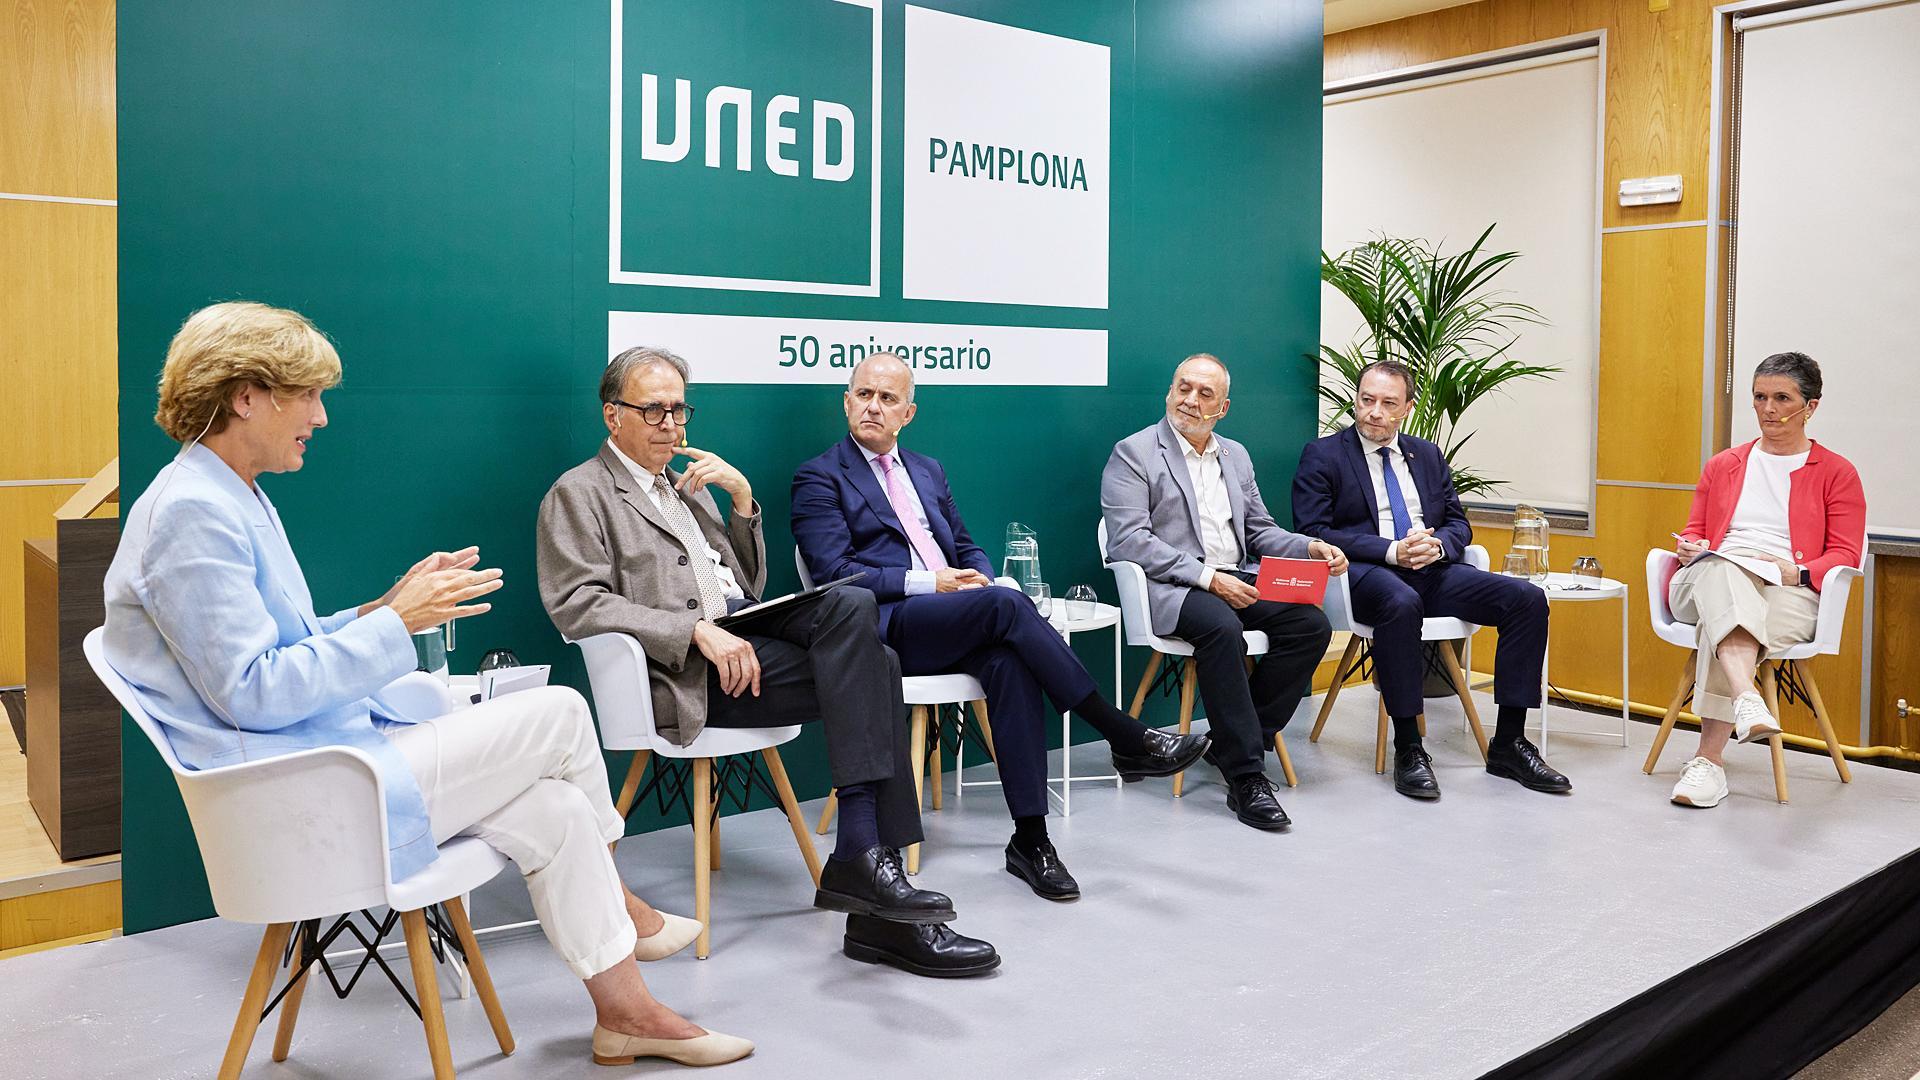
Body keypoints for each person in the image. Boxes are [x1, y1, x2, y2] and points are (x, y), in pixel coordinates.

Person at [102, 303, 748, 1069]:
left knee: (557, 807)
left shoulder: (229, 495)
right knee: (562, 712)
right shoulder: (192, 514)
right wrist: (394, 625)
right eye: (307, 395)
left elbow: (284, 644)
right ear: (247, 395)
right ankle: (629, 908)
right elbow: (251, 691)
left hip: (321, 764)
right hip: (299, 798)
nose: (321, 416)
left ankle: (627, 1014)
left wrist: (387, 606)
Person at [537, 346, 998, 977]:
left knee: (850, 605)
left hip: (747, 640)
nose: (672, 424)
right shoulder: (579, 493)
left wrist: (744, 506)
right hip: (691, 673)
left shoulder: (686, 484)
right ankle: (874, 895)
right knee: (881, 665)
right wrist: (692, 631)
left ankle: (866, 868)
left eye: (679, 410)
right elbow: (577, 605)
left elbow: (747, 587)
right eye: (654, 411)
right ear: (613, 415)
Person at [791, 353, 1210, 900]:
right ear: (846, 402)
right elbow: (834, 575)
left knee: (1010, 661)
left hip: (951, 620)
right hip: (883, 629)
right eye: (863, 395)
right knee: (1009, 609)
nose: (873, 406)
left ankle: (1031, 842)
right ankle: (1121, 732)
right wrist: (934, 585)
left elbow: (965, 546)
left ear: (908, 413)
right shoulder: (820, 476)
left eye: (887, 398)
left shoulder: (927, 470)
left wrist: (984, 579)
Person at [1291, 359, 1569, 801]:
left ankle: (1509, 744)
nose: (1374, 412)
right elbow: (1313, 530)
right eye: (1366, 400)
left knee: (1526, 599)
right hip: (1367, 575)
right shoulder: (1324, 454)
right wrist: (1390, 549)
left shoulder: (1427, 455)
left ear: (1407, 407)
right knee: (1400, 603)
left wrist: (1438, 545)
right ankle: (1410, 747)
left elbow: (1459, 523)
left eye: (1387, 403)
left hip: (1432, 569)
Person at [1100, 354, 1342, 830]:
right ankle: (1245, 775)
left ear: (1223, 408)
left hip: (1240, 576)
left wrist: (1309, 546)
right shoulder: (1134, 453)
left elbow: (1259, 531)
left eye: (1204, 394)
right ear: (1170, 392)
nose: (1190, 400)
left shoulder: (1235, 455)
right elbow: (1129, 539)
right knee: (1221, 626)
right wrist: (1208, 578)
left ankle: (1235, 737)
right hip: (1177, 587)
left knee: (1310, 625)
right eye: (1182, 388)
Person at [1664, 351, 1864, 809]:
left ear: (1810, 407)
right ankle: (1746, 697)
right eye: (1759, 397)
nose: (1769, 409)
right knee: (1723, 570)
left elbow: (1846, 552)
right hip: (1706, 579)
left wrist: (1802, 570)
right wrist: (1691, 546)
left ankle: (1708, 763)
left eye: (1782, 398)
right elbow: (1696, 529)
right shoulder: (1724, 465)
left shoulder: (1837, 472)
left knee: (1724, 625)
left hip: (1787, 590)